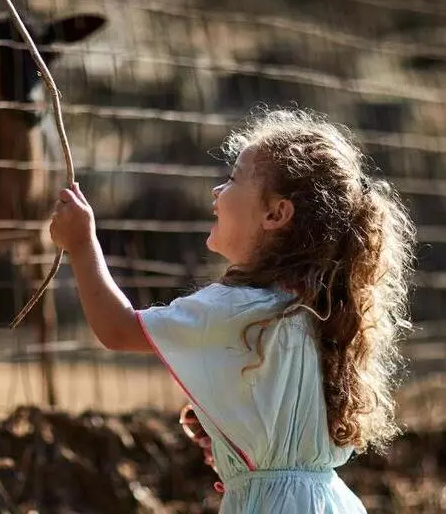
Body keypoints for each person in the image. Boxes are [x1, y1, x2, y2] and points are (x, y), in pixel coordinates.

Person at [49, 108, 416, 512]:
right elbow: (278, 419)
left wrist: (82, 245)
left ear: (275, 214)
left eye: (233, 179)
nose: (216, 191)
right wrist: (230, 437)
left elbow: (118, 330)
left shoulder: (236, 309)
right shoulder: (314, 309)